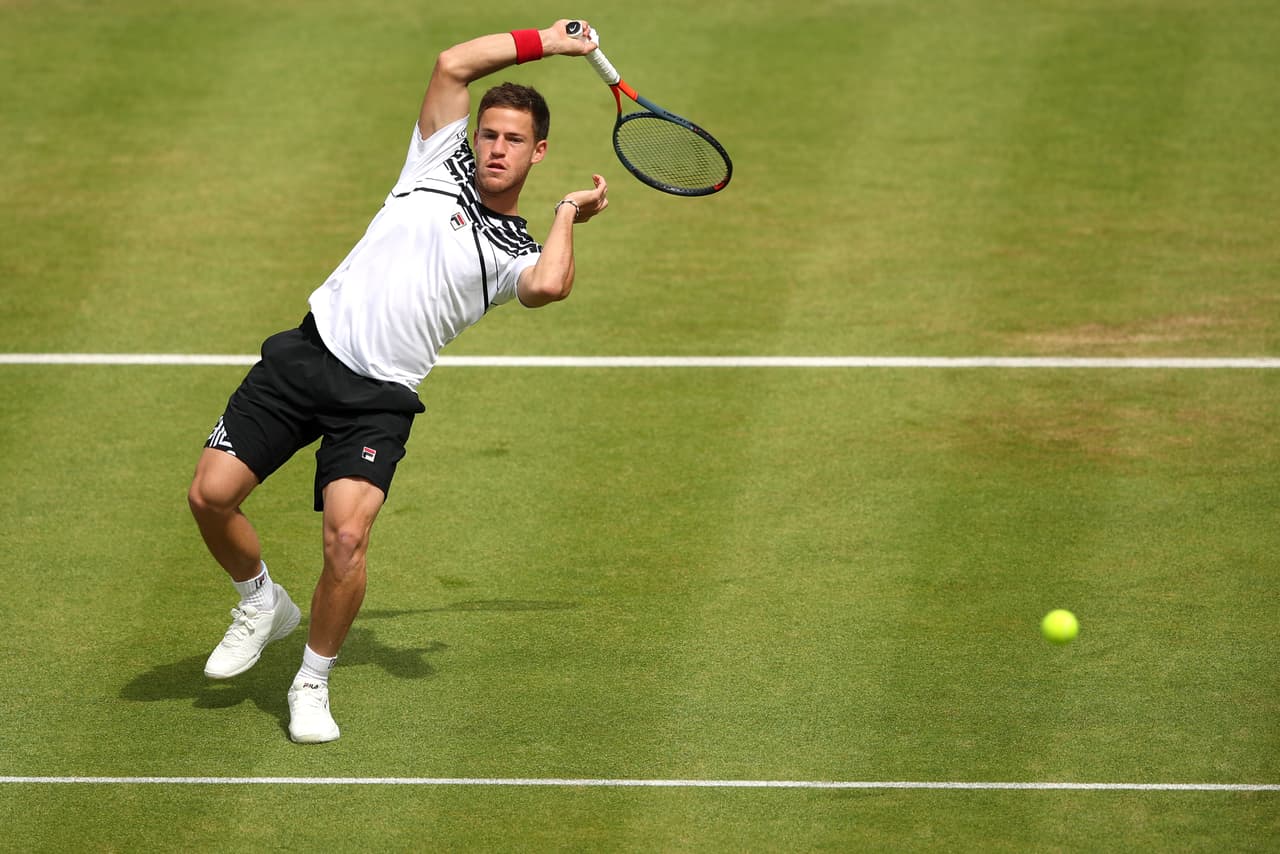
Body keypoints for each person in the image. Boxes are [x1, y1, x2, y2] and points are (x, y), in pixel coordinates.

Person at [187, 20, 608, 744]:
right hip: (306, 357)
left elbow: (550, 285)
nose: (495, 147)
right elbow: (451, 64)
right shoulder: (434, 163)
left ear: (539, 152)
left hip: (378, 402)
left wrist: (569, 212)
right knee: (209, 496)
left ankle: (312, 681)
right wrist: (547, 39)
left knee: (346, 540)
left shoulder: (516, 250)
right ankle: (260, 603)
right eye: (489, 134)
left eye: (513, 139)